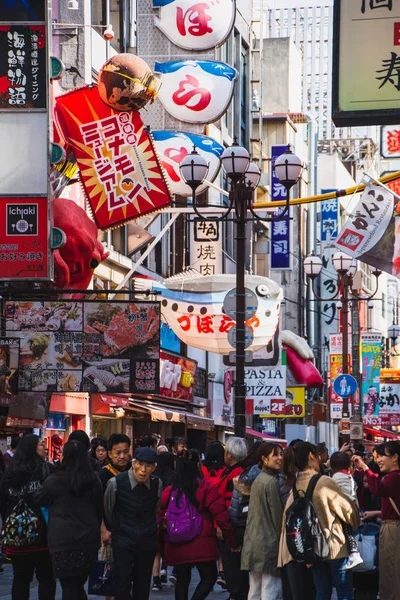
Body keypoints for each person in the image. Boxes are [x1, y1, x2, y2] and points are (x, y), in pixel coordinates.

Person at [278, 442, 359, 600]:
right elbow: (349, 513)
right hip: (335, 547)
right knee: (344, 592)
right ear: (311, 456)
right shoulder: (324, 482)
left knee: (322, 593)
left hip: (312, 551)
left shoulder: (294, 488)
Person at [161, 450, 238, 600]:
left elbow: (160, 516)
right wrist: (231, 540)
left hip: (176, 541)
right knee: (209, 576)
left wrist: (161, 546)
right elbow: (221, 515)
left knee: (182, 580)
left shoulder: (170, 491)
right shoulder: (205, 488)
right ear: (197, 465)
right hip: (202, 541)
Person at [34, 440, 103, 600]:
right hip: (88, 539)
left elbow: (39, 499)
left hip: (62, 540)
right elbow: (100, 509)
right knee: (77, 584)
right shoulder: (94, 480)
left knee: (69, 585)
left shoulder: (55, 480)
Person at [0, 434, 56, 600]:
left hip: (17, 536)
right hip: (43, 536)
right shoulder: (47, 470)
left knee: (20, 579)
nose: (44, 447)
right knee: (46, 578)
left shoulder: (9, 473)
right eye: (40, 445)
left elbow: (3, 503)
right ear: (32, 448)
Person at [104, 447, 162, 600]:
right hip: (123, 540)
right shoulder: (115, 483)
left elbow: (156, 509)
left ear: (154, 467)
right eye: (140, 464)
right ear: (133, 463)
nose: (143, 470)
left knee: (143, 585)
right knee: (122, 584)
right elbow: (108, 511)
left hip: (147, 541)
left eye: (148, 466)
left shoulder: (157, 484)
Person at [352, 441, 400, 600]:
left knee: (391, 571)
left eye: (381, 456)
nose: (378, 460)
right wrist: (377, 512)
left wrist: (365, 468)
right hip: (391, 526)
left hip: (393, 529)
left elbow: (378, 489)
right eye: (376, 457)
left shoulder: (394, 476)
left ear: (394, 457)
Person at [241, 442, 284, 600]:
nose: (280, 458)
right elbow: (277, 516)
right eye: (275, 455)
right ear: (264, 459)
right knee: (270, 589)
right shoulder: (270, 482)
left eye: (281, 454)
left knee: (255, 589)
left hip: (254, 541)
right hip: (268, 543)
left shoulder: (259, 480)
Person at [217, 437, 247, 591]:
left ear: (229, 454)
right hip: (227, 524)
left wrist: (223, 526)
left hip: (229, 526)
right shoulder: (234, 471)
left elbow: (230, 503)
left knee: (233, 568)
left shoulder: (236, 473)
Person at [330, 452, 363, 570]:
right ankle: (354, 553)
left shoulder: (335, 479)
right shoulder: (349, 478)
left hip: (342, 515)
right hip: (352, 512)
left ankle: (354, 553)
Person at [152, 452, 176, 590]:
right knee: (166, 545)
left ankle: (155, 581)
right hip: (169, 515)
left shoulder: (154, 476)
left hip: (156, 514)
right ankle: (164, 570)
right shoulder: (173, 476)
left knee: (156, 550)